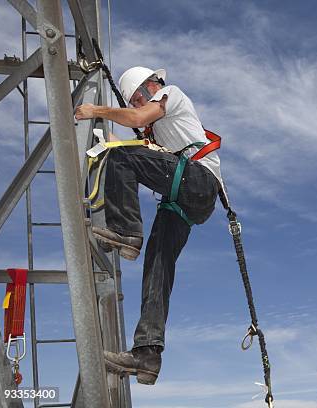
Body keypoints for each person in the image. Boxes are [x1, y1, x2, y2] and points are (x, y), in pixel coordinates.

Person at [75, 66, 223, 385]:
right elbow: (136, 146)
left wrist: (95, 111)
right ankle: (147, 354)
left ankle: (126, 231)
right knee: (157, 266)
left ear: (152, 86)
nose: (139, 104)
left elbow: (138, 122)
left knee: (120, 156)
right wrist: (98, 140)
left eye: (140, 98)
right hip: (183, 199)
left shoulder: (170, 95)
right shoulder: (159, 135)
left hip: (198, 181)